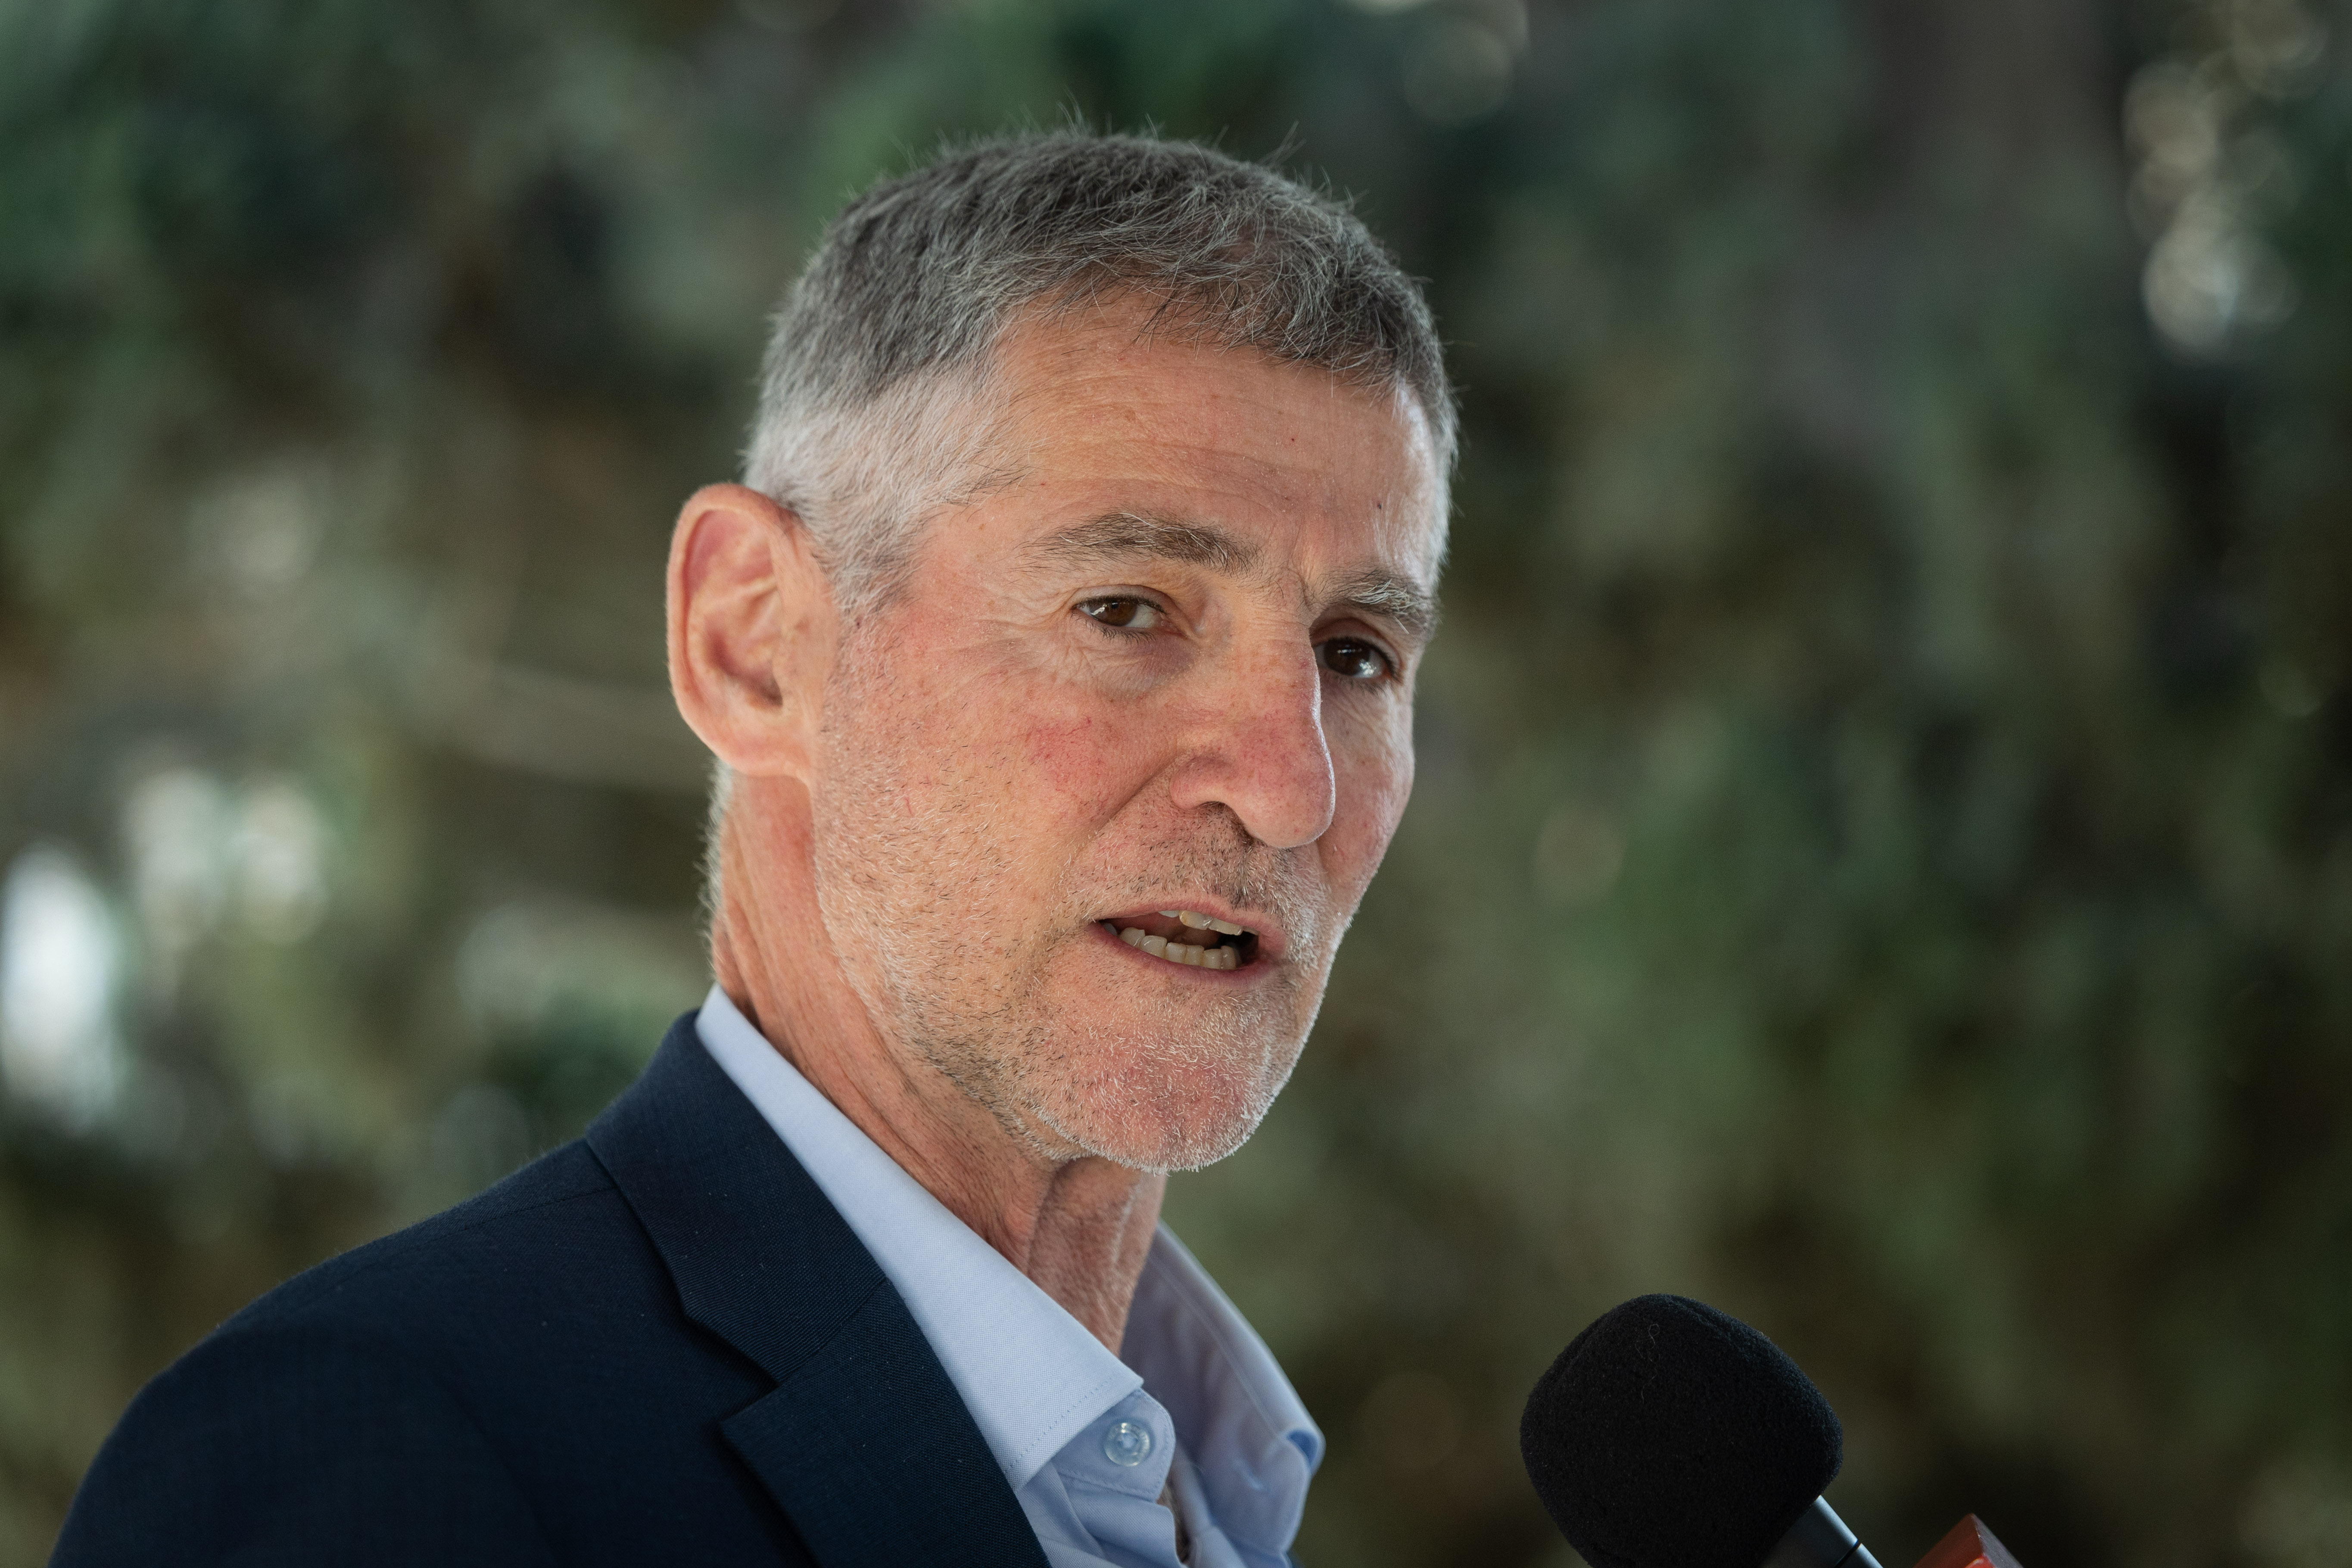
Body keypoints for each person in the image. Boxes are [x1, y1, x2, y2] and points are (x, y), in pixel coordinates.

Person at [52, 130, 1453, 1568]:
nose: (1289, 788)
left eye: (1355, 653)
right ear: (756, 644)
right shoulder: (369, 1461)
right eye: (1126, 611)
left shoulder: (1222, 1500)